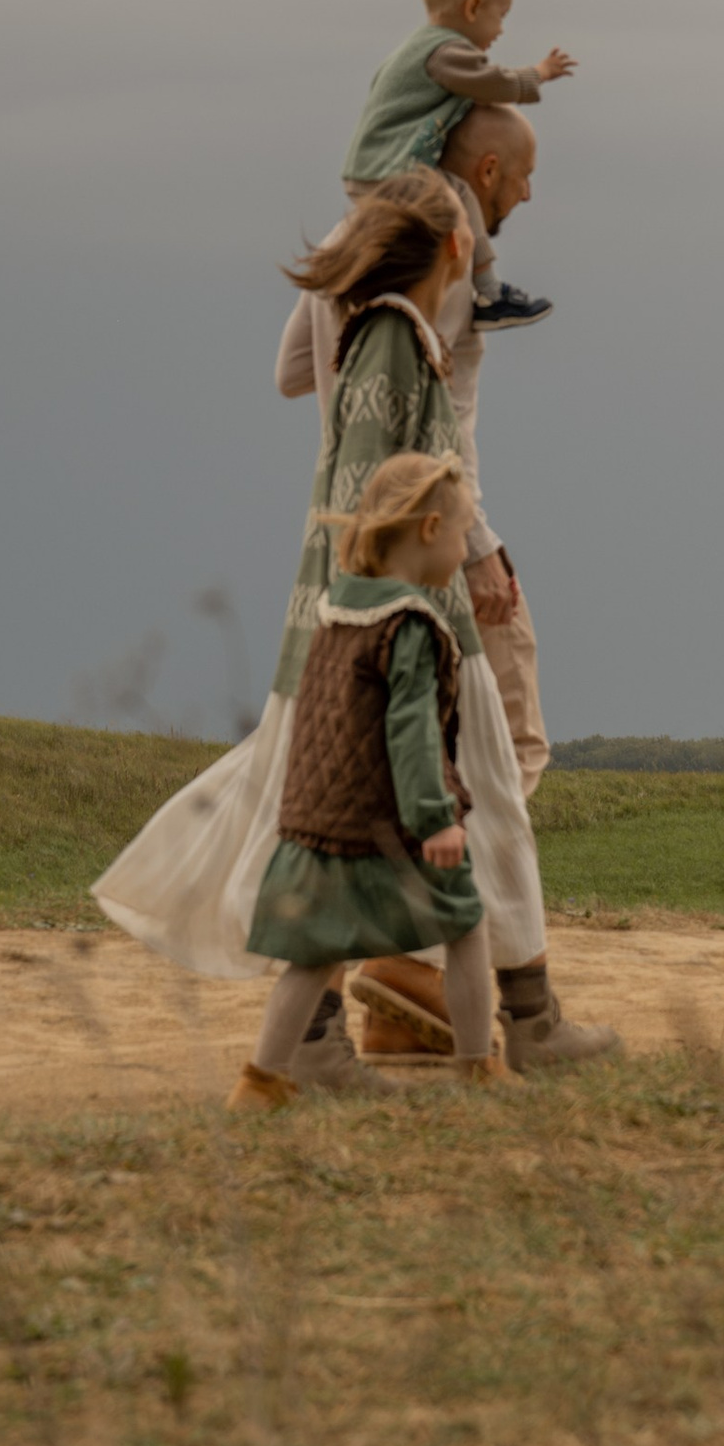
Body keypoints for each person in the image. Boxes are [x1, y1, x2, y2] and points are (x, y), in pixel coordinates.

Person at [92, 168, 616, 1072]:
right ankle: (516, 1029)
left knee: (355, 808)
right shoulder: (392, 342)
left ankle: (362, 1034)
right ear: (454, 248)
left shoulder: (397, 335)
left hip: (395, 615)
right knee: (450, 799)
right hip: (406, 622)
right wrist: (388, 622)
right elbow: (369, 492)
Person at [278, 101, 549, 791]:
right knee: (505, 729)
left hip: (351, 515)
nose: (527, 193)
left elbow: (292, 372)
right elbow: (443, 417)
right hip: (426, 522)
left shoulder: (358, 228)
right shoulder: (445, 245)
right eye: (523, 176)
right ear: (487, 169)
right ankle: (477, 848)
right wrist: (479, 548)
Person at [233, 452, 507, 1108]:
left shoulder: (336, 606)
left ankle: (260, 1081)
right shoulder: (409, 623)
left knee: (314, 955)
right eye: (463, 532)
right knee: (466, 924)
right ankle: (478, 1065)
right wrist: (435, 817)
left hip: (320, 819)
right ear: (430, 529)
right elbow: (410, 730)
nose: (465, 548)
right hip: (385, 824)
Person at [340, 0, 574, 330]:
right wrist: (539, 74)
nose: (501, 30)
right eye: (501, 15)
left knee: (440, 208)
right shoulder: (446, 53)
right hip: (391, 171)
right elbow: (492, 83)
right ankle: (489, 292)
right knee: (456, 200)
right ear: (473, 7)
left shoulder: (415, 51)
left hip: (370, 168)